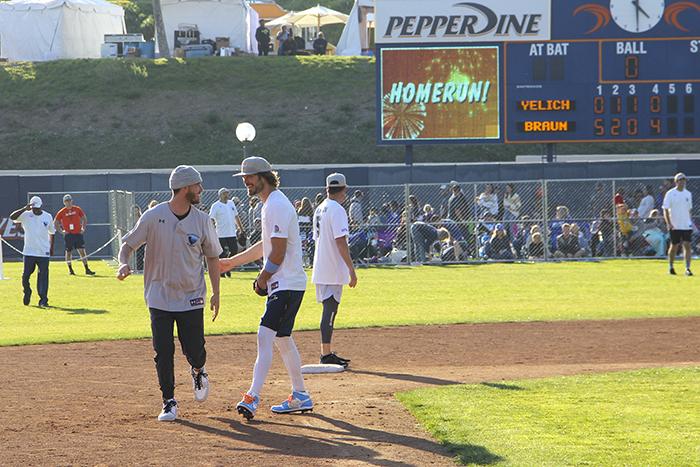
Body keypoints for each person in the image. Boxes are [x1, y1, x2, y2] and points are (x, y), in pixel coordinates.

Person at [116, 165, 222, 422]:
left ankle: (198, 370)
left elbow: (213, 257)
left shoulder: (202, 220)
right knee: (163, 350)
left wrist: (216, 293)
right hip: (159, 296)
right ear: (185, 188)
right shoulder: (153, 216)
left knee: (194, 349)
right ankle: (169, 401)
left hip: (191, 295)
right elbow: (127, 245)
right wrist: (123, 262)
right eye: (197, 185)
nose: (201, 190)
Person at [220, 156, 312, 420]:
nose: (245, 182)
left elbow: (278, 253)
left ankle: (252, 396)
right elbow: (265, 247)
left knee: (264, 335)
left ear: (263, 177)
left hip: (286, 283)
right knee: (282, 339)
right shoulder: (270, 204)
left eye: (248, 177)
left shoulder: (276, 204)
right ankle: (301, 394)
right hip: (287, 283)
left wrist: (262, 279)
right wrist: (231, 263)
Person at [311, 173, 358, 367]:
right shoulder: (337, 209)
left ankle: (326, 351)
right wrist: (351, 269)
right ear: (344, 189)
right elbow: (340, 241)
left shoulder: (320, 208)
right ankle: (326, 353)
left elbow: (317, 239)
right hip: (332, 266)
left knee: (329, 308)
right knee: (330, 309)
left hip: (321, 264)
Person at [10, 196, 55, 307]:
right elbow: (12, 217)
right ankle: (27, 291)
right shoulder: (26, 215)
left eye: (38, 209)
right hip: (29, 251)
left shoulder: (47, 216)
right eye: (34, 208)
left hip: (43, 252)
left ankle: (43, 300)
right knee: (25, 276)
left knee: (43, 276)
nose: (36, 211)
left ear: (41, 207)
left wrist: (51, 247)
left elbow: (52, 232)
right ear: (31, 207)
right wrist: (24, 209)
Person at [54, 194, 96, 276]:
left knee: (82, 251)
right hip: (68, 235)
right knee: (68, 252)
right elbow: (55, 222)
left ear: (71, 201)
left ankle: (87, 269)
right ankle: (70, 270)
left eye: (69, 201)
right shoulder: (61, 212)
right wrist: (62, 231)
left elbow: (84, 218)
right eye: (66, 201)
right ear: (64, 202)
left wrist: (83, 228)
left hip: (77, 233)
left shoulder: (77, 209)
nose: (68, 203)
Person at [209, 188, 245, 278]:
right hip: (221, 234)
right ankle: (221, 271)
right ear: (220, 195)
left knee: (234, 251)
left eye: (227, 193)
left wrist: (241, 229)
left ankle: (227, 268)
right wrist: (211, 229)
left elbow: (236, 217)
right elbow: (211, 219)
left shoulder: (231, 203)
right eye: (225, 193)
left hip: (231, 233)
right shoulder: (215, 205)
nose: (227, 195)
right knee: (222, 253)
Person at [663, 172, 693, 275]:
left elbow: (689, 210)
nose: (683, 182)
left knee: (687, 245)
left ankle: (687, 268)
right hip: (675, 225)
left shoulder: (688, 194)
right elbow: (665, 210)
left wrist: (690, 222)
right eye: (681, 179)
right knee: (674, 246)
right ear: (676, 182)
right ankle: (671, 267)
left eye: (684, 180)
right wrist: (669, 223)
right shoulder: (670, 193)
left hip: (686, 225)